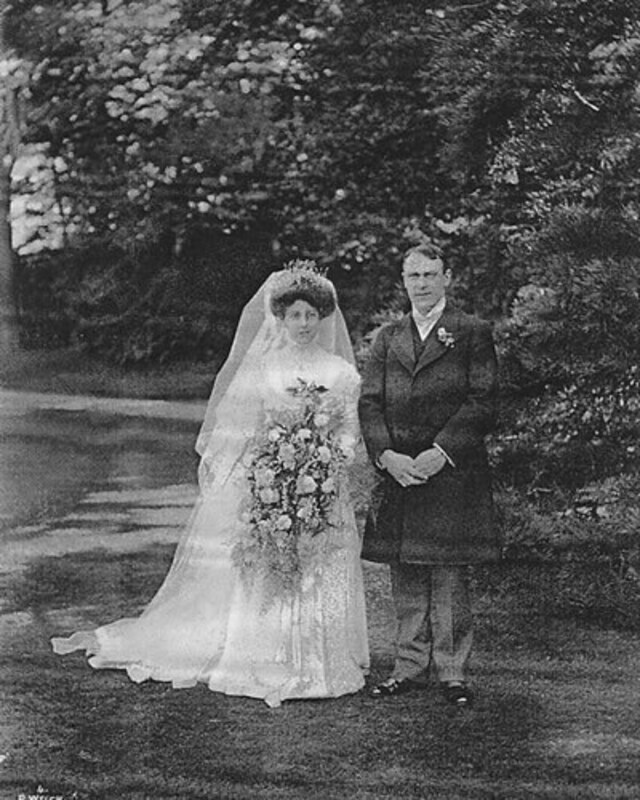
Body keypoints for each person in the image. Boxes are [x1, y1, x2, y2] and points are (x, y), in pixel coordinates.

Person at [52, 261, 369, 708]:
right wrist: (267, 476)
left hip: (322, 487)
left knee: (319, 566)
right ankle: (266, 657)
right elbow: (241, 430)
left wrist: (326, 467)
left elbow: (348, 433)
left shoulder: (340, 373)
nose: (303, 324)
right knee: (269, 567)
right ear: (280, 317)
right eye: (294, 315)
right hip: (271, 488)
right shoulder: (264, 370)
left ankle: (320, 661)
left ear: (322, 318)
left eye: (310, 315)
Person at [358, 242, 499, 707]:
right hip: (400, 474)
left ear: (447, 277)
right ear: (404, 281)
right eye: (414, 276)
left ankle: (452, 671)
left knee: (449, 576)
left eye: (430, 274)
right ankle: (409, 666)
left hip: (451, 473)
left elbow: (483, 401)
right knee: (406, 574)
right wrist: (386, 457)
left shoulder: (472, 332)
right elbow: (370, 403)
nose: (422, 284)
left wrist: (443, 451)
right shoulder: (387, 337)